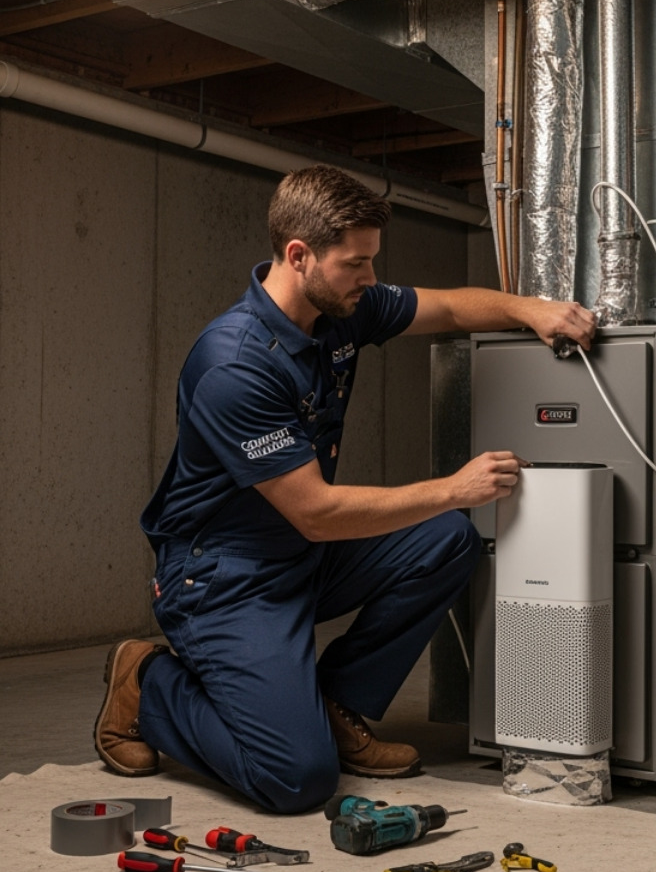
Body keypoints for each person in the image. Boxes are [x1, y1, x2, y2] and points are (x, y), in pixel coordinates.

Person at [94, 165, 596, 814]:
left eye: (371, 261)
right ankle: (148, 682)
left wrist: (530, 309)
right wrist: (454, 487)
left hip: (301, 554)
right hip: (225, 578)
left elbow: (446, 307)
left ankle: (337, 703)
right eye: (356, 263)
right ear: (299, 256)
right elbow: (317, 513)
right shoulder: (234, 365)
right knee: (295, 779)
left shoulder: (342, 310)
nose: (369, 277)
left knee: (446, 539)